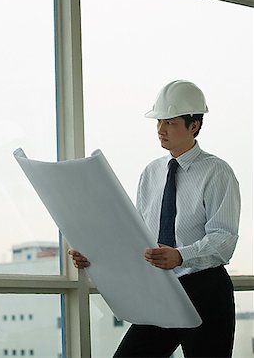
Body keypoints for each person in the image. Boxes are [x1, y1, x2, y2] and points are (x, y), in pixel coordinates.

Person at [69, 80, 241, 358]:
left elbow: (225, 240)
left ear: (193, 125)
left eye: (170, 122)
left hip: (204, 290)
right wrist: (93, 254)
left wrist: (180, 256)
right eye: (159, 122)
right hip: (161, 290)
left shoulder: (217, 172)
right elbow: (136, 235)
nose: (161, 130)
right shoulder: (152, 173)